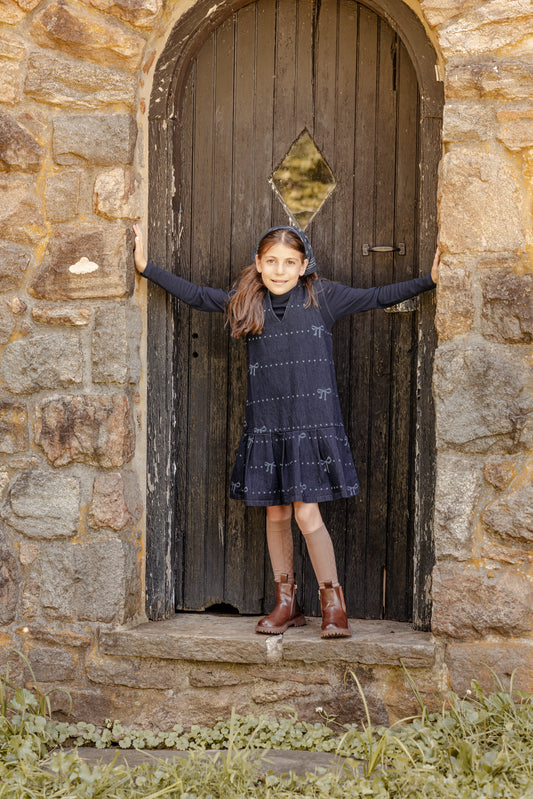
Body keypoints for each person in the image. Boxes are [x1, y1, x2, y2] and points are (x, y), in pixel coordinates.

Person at [133, 223, 439, 639]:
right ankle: (287, 603)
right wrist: (146, 267)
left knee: (305, 511)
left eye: (289, 262)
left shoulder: (323, 298)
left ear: (304, 266)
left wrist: (430, 280)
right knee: (275, 511)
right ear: (259, 265)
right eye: (272, 262)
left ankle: (334, 605)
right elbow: (198, 296)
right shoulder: (246, 301)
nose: (280, 270)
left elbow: (377, 297)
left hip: (310, 425)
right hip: (268, 426)